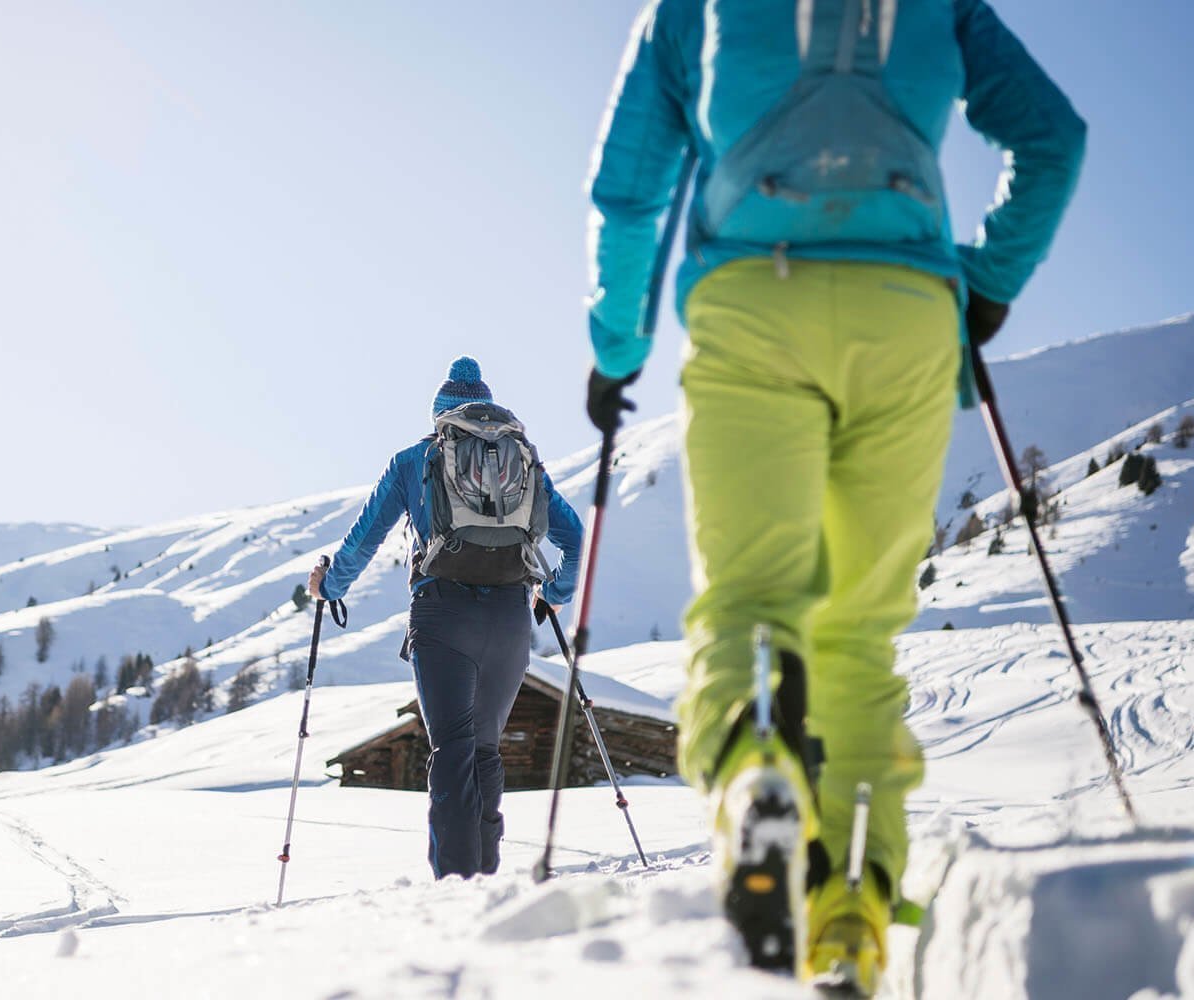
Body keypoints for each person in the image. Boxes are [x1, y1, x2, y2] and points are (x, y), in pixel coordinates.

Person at [581, 0, 1084, 992]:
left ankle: (753, 776)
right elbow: (1051, 136)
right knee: (856, 633)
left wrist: (617, 346)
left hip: (751, 303)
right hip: (905, 315)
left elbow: (633, 186)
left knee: (751, 597)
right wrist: (986, 285)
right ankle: (852, 899)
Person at [308, 357, 585, 879]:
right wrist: (555, 591)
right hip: (509, 616)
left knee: (453, 750)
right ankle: (485, 880)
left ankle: (457, 889)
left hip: (443, 614)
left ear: (440, 417)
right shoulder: (521, 463)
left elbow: (364, 538)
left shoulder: (417, 459)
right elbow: (573, 538)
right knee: (485, 749)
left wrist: (331, 585)